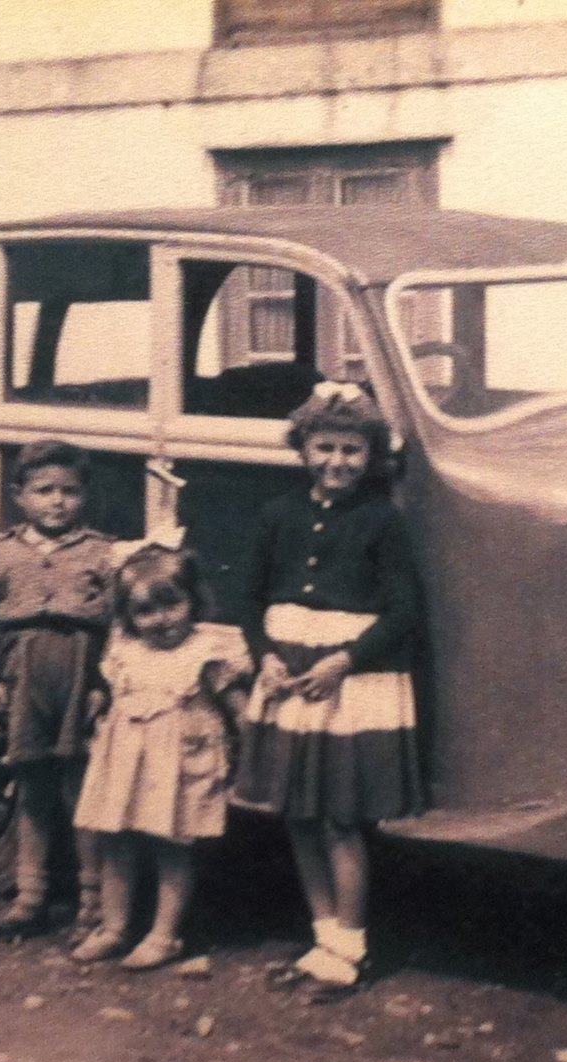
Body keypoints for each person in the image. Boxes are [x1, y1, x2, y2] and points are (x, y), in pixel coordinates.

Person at [233, 381, 424, 989]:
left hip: (345, 682)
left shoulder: (381, 521)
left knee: (340, 818)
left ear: (370, 457)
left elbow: (403, 613)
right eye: (325, 448)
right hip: (288, 676)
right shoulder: (277, 515)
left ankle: (352, 946)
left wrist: (346, 659)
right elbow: (250, 597)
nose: (337, 462)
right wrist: (263, 655)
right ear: (304, 448)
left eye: (351, 450)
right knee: (297, 815)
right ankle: (323, 940)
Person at [70, 546, 254, 970]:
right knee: (116, 840)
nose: (162, 619)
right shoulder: (125, 651)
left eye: (172, 604)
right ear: (129, 616)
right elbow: (110, 695)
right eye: (146, 611)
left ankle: (164, 934)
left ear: (194, 599)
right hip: (127, 760)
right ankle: (114, 927)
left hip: (181, 765)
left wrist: (248, 751)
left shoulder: (208, 650)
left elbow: (239, 710)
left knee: (173, 846)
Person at [0, 439, 115, 939]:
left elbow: (120, 625)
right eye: (44, 490)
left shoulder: (101, 553)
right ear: (19, 496)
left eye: (69, 491)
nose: (57, 501)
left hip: (79, 678)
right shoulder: (2, 554)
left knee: (82, 790)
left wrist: (104, 684)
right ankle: (30, 896)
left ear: (84, 497)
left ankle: (91, 902)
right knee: (31, 786)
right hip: (24, 677)